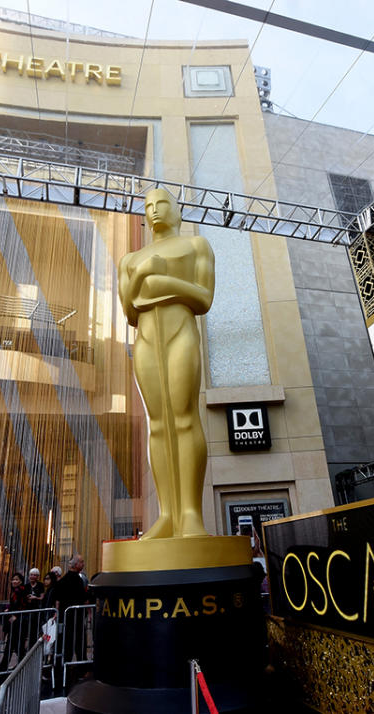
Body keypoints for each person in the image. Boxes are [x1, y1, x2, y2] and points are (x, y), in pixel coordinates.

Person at [117, 188, 215, 538]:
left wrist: (161, 279)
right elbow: (129, 310)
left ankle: (190, 514)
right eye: (149, 207)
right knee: (157, 423)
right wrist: (145, 275)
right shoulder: (130, 260)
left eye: (162, 204)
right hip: (145, 338)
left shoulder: (196, 246)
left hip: (180, 333)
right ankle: (167, 515)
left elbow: (203, 297)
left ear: (177, 211)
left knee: (184, 417)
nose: (155, 211)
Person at [0, 573, 27, 671]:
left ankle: (3, 667)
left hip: (18, 622)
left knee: (12, 645)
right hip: (14, 622)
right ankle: (23, 664)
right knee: (17, 646)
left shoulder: (21, 591)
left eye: (16, 579)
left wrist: (16, 615)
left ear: (21, 581)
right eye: (13, 579)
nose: (14, 581)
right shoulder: (14, 591)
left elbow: (23, 605)